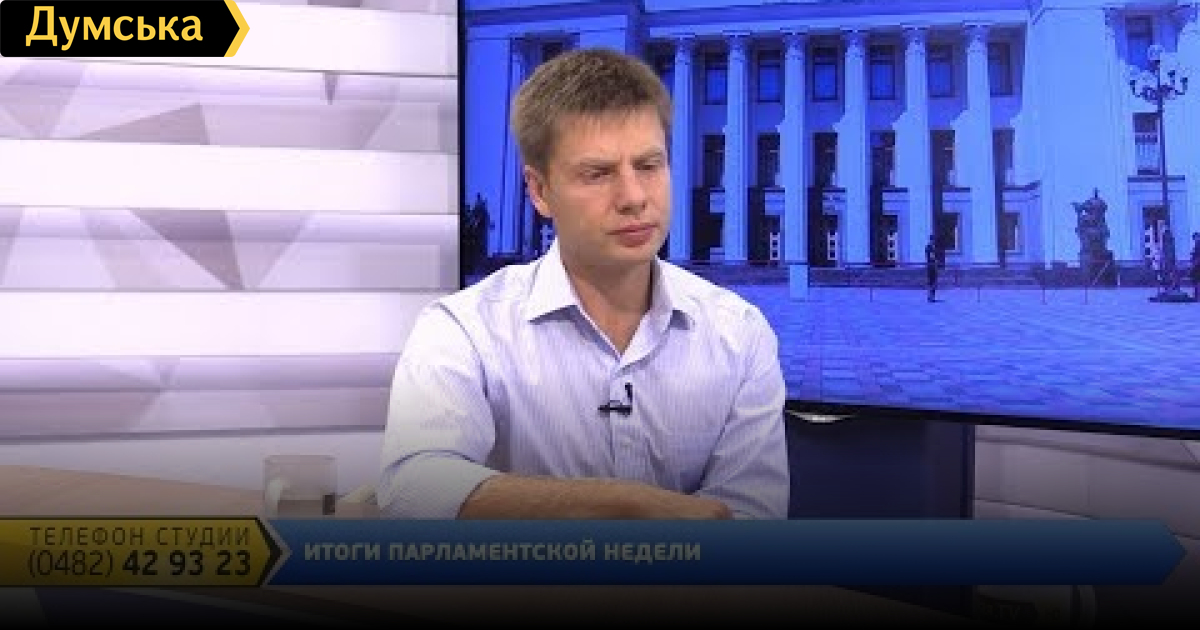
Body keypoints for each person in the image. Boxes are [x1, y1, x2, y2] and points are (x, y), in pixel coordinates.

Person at [376, 48, 789, 520]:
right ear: (539, 191)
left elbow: (754, 521)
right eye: (598, 173)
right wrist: (624, 505)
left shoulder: (739, 333)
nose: (634, 198)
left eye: (649, 165)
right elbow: (413, 488)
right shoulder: (463, 329)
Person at [925, 234, 939, 302]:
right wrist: (936, 261)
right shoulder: (930, 247)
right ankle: (931, 297)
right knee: (933, 281)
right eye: (933, 240)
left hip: (930, 265)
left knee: (931, 281)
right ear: (931, 240)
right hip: (932, 266)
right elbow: (931, 256)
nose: (933, 241)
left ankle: (930, 296)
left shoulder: (929, 247)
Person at [1190, 232, 1200, 300]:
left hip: (1197, 265)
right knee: (1196, 280)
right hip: (1196, 264)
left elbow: (1198, 255)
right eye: (1194, 238)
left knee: (1196, 279)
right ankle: (1196, 294)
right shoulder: (1197, 244)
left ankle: (1197, 295)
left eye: (1196, 237)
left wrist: (1195, 263)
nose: (1195, 239)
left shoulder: (1198, 244)